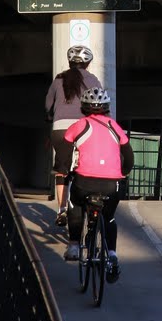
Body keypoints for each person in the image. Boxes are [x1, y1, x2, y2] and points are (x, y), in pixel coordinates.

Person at [56, 86, 133, 277]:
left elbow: (63, 155)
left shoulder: (78, 126)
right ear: (106, 108)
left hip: (85, 181)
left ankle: (74, 246)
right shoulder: (114, 126)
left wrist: (63, 170)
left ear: (83, 107)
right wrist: (123, 172)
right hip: (112, 184)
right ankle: (113, 254)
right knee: (109, 217)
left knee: (75, 204)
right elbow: (128, 155)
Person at [44, 45, 101, 227]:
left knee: (62, 170)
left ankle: (61, 210)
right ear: (88, 63)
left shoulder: (58, 80)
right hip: (85, 128)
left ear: (69, 62)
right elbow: (100, 104)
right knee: (86, 165)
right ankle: (86, 201)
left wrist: (51, 117)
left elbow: (48, 105)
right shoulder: (93, 80)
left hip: (60, 129)